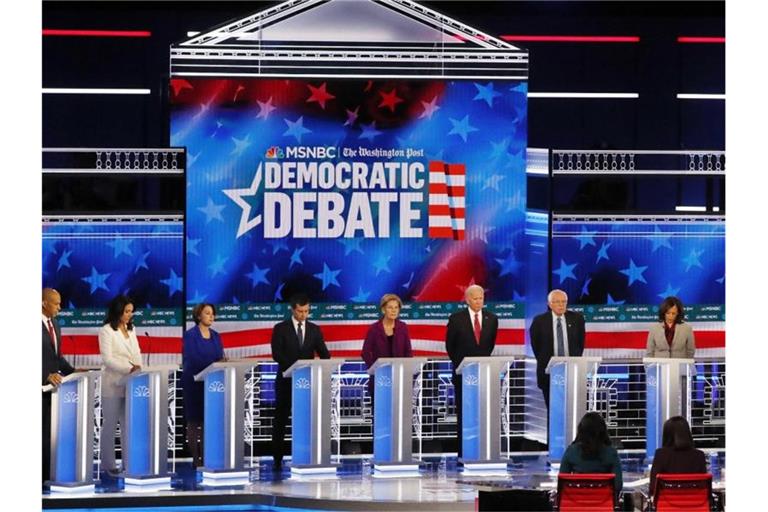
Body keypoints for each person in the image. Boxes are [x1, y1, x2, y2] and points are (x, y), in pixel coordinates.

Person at [270, 293, 331, 471]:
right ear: (292, 309)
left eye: (306, 311)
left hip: (307, 384)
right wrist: (296, 367)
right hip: (286, 381)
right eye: (300, 311)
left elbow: (324, 353)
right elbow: (277, 354)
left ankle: (307, 454)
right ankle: (277, 458)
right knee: (281, 419)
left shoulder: (314, 329)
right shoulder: (280, 328)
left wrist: (318, 365)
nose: (303, 315)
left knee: (307, 419)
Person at [445, 284, 498, 458]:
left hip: (484, 375)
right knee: (465, 412)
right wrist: (463, 366)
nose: (479, 301)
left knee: (483, 412)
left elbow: (489, 345)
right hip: (463, 375)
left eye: (481, 298)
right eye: (475, 298)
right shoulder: (456, 319)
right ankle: (464, 452)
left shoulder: (492, 318)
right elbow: (450, 346)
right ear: (467, 300)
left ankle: (483, 450)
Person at [98, 294, 143, 477]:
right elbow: (107, 359)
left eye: (131, 311)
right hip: (112, 384)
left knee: (127, 425)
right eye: (126, 311)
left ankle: (128, 463)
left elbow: (137, 352)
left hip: (131, 384)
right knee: (110, 425)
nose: (129, 315)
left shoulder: (132, 330)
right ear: (118, 311)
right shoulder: (106, 331)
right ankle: (108, 464)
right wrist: (129, 368)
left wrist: (138, 370)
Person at [181, 303, 225, 467]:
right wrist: (213, 364)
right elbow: (192, 357)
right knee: (194, 421)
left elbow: (219, 356)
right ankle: (196, 458)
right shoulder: (190, 335)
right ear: (199, 316)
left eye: (213, 313)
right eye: (207, 313)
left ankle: (207, 456)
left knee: (209, 421)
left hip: (212, 384)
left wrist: (219, 365)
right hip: (194, 382)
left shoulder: (216, 336)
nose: (211, 316)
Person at [530, 289, 585, 408]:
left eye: (564, 302)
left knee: (571, 408)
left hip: (571, 371)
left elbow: (580, 344)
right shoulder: (539, 321)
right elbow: (536, 346)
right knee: (553, 408)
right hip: (549, 373)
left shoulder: (577, 319)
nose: (561, 305)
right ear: (549, 304)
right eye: (557, 302)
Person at [42, 287, 75, 483]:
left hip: (52, 391)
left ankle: (46, 475)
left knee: (48, 435)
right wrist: (45, 375)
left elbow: (56, 357)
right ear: (44, 303)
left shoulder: (55, 324)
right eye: (56, 303)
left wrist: (73, 371)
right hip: (40, 386)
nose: (60, 308)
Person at [362, 293, 413, 401]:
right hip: (380, 378)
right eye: (390, 307)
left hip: (399, 377)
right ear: (383, 309)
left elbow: (408, 352)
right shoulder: (374, 329)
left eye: (396, 307)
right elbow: (365, 352)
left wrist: (406, 370)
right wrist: (374, 369)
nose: (394, 310)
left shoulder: (403, 327)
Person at [560, 411, 623, 495]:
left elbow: (561, 483)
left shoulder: (571, 451)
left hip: (576, 504)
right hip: (603, 504)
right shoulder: (611, 453)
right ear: (603, 431)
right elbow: (618, 485)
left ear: (581, 431)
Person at [649, 416, 707, 496]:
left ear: (666, 435)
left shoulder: (661, 455)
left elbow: (653, 488)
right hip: (694, 504)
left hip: (667, 505)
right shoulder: (699, 455)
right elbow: (704, 487)